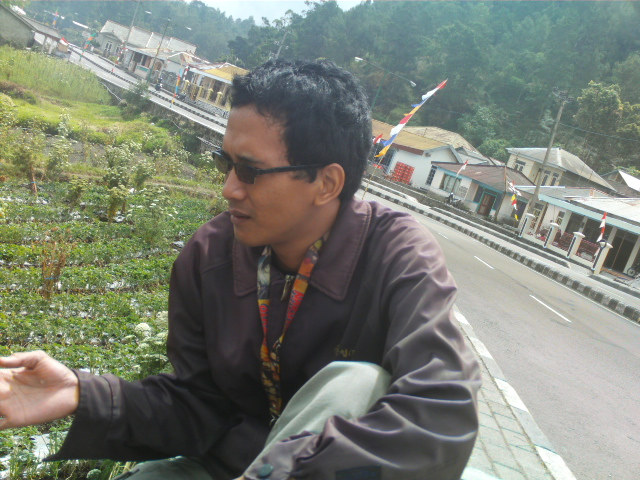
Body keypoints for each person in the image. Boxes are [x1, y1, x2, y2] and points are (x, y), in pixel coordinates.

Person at [0, 59, 481, 480]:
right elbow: (198, 407)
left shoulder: (396, 255)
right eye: (225, 163)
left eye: (250, 171)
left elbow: (442, 413)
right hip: (223, 467)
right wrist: (83, 393)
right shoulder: (209, 254)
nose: (229, 188)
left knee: (357, 383)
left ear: (326, 183)